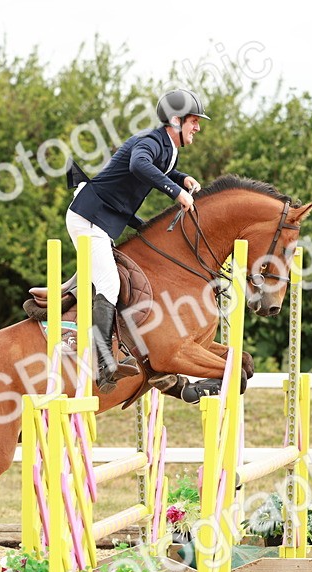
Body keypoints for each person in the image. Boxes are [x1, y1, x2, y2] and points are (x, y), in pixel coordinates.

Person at [65, 88, 208, 392]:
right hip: (90, 218)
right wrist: (176, 191)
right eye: (193, 121)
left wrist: (181, 178)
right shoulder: (150, 142)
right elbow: (138, 166)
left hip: (103, 220)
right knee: (109, 285)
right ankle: (104, 365)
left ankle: (141, 354)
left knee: (126, 283)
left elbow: (157, 166)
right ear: (175, 119)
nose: (197, 127)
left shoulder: (167, 147)